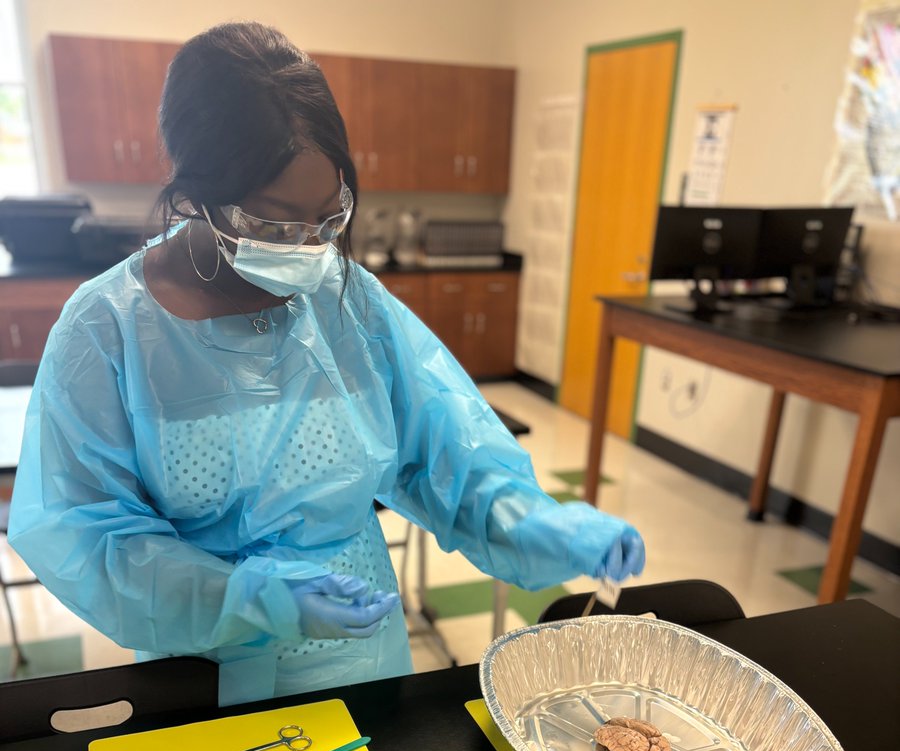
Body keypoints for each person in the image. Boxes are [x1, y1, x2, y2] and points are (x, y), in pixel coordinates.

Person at [8, 22, 645, 707]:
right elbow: (86, 530)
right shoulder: (108, 328)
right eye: (277, 225)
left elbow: (444, 451)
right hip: (200, 672)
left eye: (327, 217)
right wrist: (245, 597)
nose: (308, 248)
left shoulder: (347, 300)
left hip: (359, 654)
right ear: (196, 194)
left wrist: (534, 522)